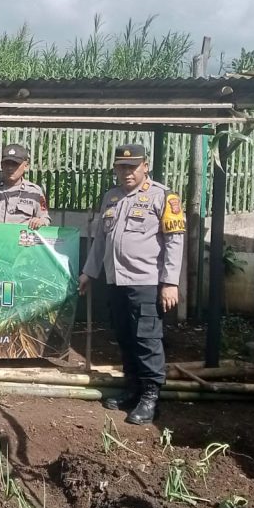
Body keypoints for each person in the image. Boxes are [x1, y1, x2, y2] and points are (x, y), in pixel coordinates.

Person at [78, 143, 186, 425]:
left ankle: (150, 396)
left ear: (145, 166)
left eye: (132, 167)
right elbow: (101, 240)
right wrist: (89, 272)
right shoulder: (111, 198)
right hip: (117, 281)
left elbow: (175, 242)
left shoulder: (163, 196)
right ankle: (133, 387)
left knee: (146, 339)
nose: (126, 172)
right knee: (125, 336)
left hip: (147, 282)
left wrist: (170, 282)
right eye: (121, 167)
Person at [0, 144, 50, 228]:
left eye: (15, 164)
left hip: (21, 239)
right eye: (7, 163)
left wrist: (40, 221)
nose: (10, 168)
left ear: (26, 166)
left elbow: (45, 219)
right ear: (2, 165)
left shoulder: (34, 192)